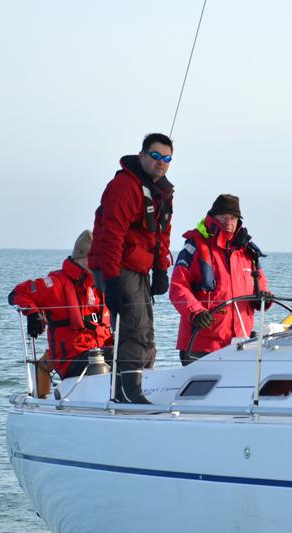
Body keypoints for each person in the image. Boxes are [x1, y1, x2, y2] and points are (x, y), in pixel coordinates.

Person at [87, 133, 174, 403]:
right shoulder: (125, 186)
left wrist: (161, 270)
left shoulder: (162, 192)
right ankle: (130, 393)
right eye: (156, 156)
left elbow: (162, 235)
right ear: (142, 156)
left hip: (139, 267)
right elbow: (110, 236)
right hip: (117, 265)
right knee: (134, 328)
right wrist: (112, 281)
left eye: (167, 158)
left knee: (145, 331)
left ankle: (122, 391)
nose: (161, 162)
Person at [170, 194, 272, 365]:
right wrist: (195, 311)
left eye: (233, 218)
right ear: (212, 217)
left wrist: (265, 297)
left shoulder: (248, 252)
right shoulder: (193, 247)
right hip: (200, 344)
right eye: (223, 217)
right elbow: (177, 287)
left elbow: (260, 284)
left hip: (241, 344)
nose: (228, 222)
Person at [8, 230, 113, 384]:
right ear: (77, 259)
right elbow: (18, 293)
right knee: (122, 355)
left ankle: (136, 390)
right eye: (91, 258)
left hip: (101, 353)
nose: (96, 263)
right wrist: (33, 313)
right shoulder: (56, 284)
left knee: (142, 350)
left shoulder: (102, 286)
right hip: (73, 360)